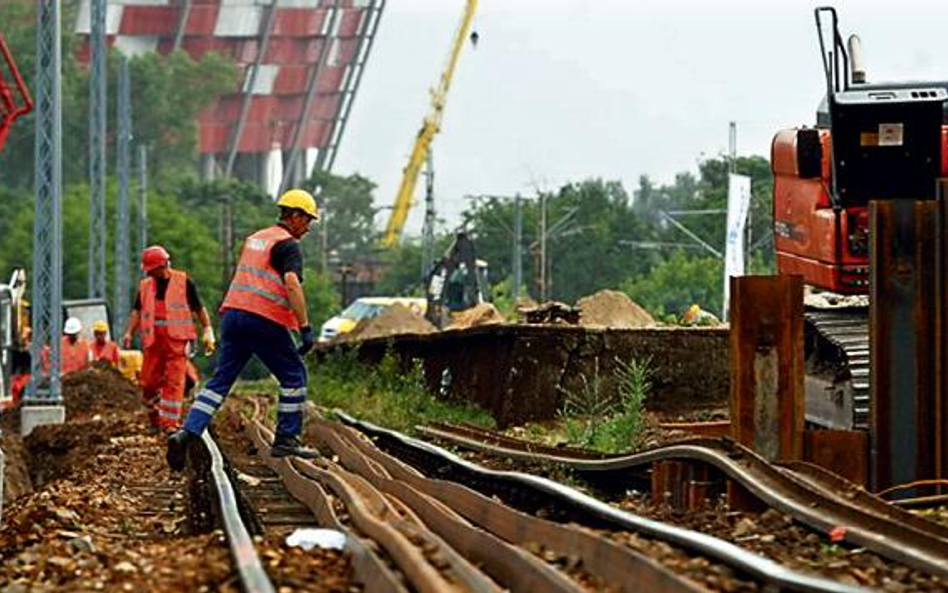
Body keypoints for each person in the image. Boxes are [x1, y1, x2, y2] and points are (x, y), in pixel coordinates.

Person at [166, 189, 320, 472]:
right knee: (293, 374)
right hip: (262, 318)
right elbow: (292, 284)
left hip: (233, 314)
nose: (308, 226)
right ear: (295, 216)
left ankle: (186, 433)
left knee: (220, 381)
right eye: (308, 219)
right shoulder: (288, 245)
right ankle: (287, 438)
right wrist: (305, 327)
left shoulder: (257, 239)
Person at [123, 245, 216, 432]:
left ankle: (170, 424)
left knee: (174, 384)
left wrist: (207, 329)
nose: (149, 273)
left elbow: (198, 307)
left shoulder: (184, 282)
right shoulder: (145, 286)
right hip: (153, 342)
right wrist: (129, 332)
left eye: (151, 270)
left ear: (162, 266)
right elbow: (137, 311)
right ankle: (155, 419)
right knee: (148, 383)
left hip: (177, 342)